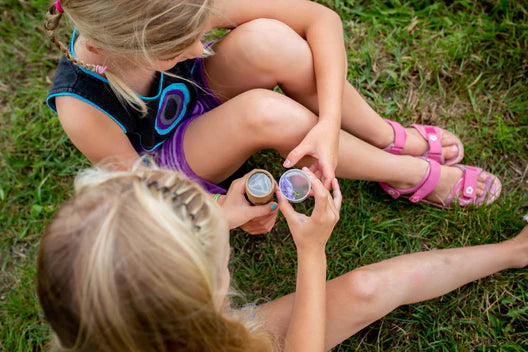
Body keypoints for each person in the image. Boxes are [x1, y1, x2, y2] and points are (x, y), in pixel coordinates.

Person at [44, 0, 501, 234]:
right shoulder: (81, 107)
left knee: (271, 41)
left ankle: (383, 135)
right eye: (176, 49)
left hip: (204, 96)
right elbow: (144, 194)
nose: (198, 48)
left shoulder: (170, 8)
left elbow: (319, 17)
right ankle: (406, 173)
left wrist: (329, 122)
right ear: (110, 50)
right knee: (263, 112)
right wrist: (223, 211)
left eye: (196, 32)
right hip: (172, 160)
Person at [37, 166, 528, 351]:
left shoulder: (99, 317)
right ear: (215, 295)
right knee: (364, 290)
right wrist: (311, 252)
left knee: (363, 291)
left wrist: (223, 217)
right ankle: (516, 252)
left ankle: (510, 253)